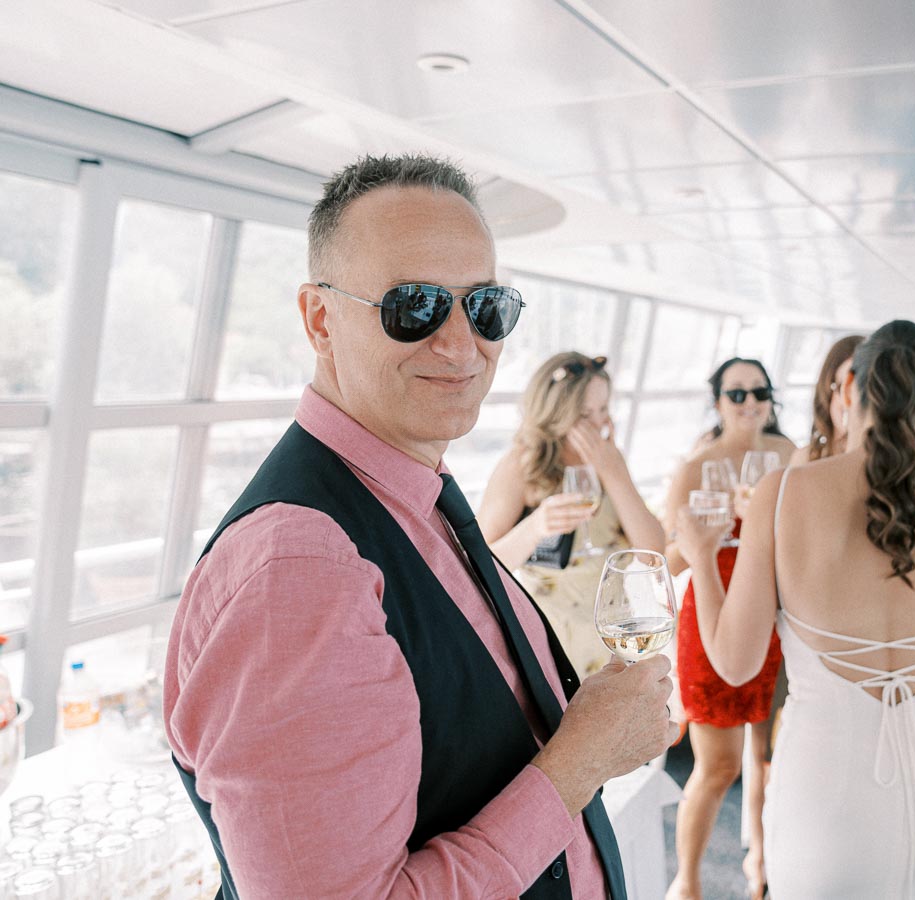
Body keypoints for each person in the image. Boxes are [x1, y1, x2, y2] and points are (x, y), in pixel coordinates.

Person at [163, 154, 677, 898]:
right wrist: (581, 762)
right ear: (320, 319)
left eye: (486, 307)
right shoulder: (300, 569)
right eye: (416, 306)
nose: (462, 345)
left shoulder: (412, 501)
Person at [675, 320, 915, 899]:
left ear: (850, 390)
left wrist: (702, 558)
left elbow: (734, 664)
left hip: (825, 778)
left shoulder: (784, 492)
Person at [663, 358, 796, 900]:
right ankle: (687, 882)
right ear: (717, 402)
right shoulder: (698, 467)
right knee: (717, 765)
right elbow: (670, 560)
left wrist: (766, 517)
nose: (749, 403)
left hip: (778, 617)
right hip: (713, 615)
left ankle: (763, 865)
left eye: (758, 392)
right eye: (736, 394)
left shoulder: (790, 460)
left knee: (772, 755)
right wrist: (706, 539)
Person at [479, 352, 665, 677]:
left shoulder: (610, 459)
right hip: (549, 632)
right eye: (584, 414)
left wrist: (614, 473)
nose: (597, 424)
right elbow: (480, 567)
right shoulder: (522, 465)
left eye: (603, 410)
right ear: (557, 413)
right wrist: (535, 526)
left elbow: (653, 550)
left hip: (611, 630)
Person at [790, 334, 863, 466]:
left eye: (862, 388)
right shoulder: (804, 460)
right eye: (844, 387)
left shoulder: (886, 465)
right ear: (827, 392)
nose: (853, 401)